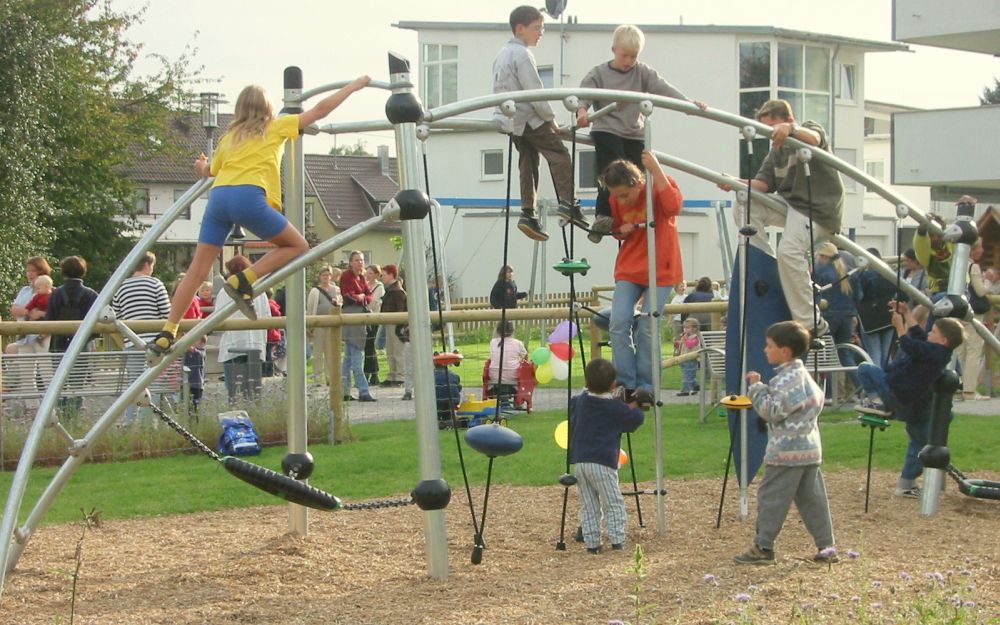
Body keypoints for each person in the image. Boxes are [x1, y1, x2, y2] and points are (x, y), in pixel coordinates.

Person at [147, 75, 371, 357]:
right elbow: (319, 111)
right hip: (248, 197)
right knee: (297, 246)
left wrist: (200, 165)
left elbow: (209, 171)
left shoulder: (228, 137)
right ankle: (243, 279)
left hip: (218, 198)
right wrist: (352, 86)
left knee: (197, 270)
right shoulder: (276, 127)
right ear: (268, 109)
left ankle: (168, 331)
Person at [719, 99, 845, 348]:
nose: (772, 136)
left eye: (773, 129)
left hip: (817, 208)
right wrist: (734, 181)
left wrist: (792, 130)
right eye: (766, 130)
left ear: (787, 121)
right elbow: (763, 185)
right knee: (745, 200)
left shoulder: (806, 130)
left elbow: (815, 139)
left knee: (789, 249)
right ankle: (761, 260)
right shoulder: (775, 153)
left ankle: (811, 321)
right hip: (791, 207)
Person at [575, 24, 706, 243]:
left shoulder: (642, 72)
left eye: (633, 57)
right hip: (607, 128)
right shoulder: (599, 73)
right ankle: (604, 215)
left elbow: (664, 88)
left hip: (634, 132)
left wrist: (687, 104)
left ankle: (634, 214)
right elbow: (584, 95)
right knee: (612, 168)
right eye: (625, 55)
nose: (628, 62)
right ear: (614, 49)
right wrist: (581, 111)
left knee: (636, 177)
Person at [734, 321, 835, 565]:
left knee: (772, 498)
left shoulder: (785, 381)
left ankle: (763, 547)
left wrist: (756, 388)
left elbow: (771, 411)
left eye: (769, 346)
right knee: (813, 500)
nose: (765, 350)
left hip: (786, 452)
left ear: (785, 351)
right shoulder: (806, 378)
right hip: (810, 449)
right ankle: (826, 546)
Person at [493, 5, 584, 242]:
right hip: (529, 118)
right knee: (560, 154)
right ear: (520, 28)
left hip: (511, 120)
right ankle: (568, 203)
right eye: (537, 28)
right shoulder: (522, 55)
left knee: (528, 161)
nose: (541, 32)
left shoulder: (502, 54)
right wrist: (551, 120)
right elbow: (535, 92)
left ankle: (528, 213)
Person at [855, 302, 964, 498]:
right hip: (908, 399)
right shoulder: (935, 350)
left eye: (933, 332)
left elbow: (911, 345)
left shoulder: (935, 354)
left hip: (897, 393)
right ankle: (906, 484)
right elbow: (919, 336)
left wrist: (899, 325)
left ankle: (878, 401)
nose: (928, 333)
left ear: (944, 340)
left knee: (865, 369)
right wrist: (907, 314)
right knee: (918, 443)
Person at [606, 151, 683, 409]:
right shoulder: (617, 200)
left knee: (649, 325)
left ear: (638, 182)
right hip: (630, 267)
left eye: (626, 195)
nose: (622, 200)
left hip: (660, 269)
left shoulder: (658, 187)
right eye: (617, 196)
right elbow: (618, 229)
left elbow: (673, 208)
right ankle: (626, 384)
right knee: (618, 321)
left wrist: (657, 169)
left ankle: (647, 386)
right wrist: (620, 231)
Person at [569, 358, 645, 554]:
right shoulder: (614, 408)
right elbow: (633, 421)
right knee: (612, 501)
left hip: (580, 462)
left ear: (587, 382)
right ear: (613, 384)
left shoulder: (581, 402)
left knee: (589, 504)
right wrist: (637, 403)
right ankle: (617, 540)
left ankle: (592, 543)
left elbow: (577, 400)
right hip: (602, 462)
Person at [112, 251, 172, 425]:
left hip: (132, 342)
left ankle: (128, 422)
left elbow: (118, 317)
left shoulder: (121, 287)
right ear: (147, 264)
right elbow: (167, 314)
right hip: (154, 343)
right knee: (152, 384)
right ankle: (149, 424)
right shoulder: (155, 284)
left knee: (134, 384)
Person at [215, 255, 272, 404]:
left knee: (235, 395)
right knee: (254, 394)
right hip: (255, 345)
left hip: (232, 346)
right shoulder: (260, 291)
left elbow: (217, 319)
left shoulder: (225, 291)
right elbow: (267, 317)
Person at [812, 241, 858, 396]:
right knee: (845, 354)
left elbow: (814, 295)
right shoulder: (849, 272)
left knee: (828, 356)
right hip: (847, 316)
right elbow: (859, 295)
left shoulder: (819, 272)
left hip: (829, 317)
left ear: (824, 256)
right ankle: (861, 387)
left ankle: (831, 394)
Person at [340, 251, 375, 402]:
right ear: (350, 262)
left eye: (361, 260)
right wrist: (359, 297)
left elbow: (369, 296)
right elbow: (347, 295)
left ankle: (344, 391)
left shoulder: (361, 277)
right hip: (352, 317)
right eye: (356, 260)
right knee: (356, 357)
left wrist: (361, 297)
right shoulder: (346, 276)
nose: (360, 263)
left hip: (360, 316)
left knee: (348, 358)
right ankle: (363, 391)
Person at [45, 256, 99, 353]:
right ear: (83, 271)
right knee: (81, 367)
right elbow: (97, 323)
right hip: (82, 343)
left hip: (58, 344)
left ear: (63, 272)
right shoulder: (91, 295)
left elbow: (49, 319)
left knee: (60, 368)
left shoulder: (56, 294)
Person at [855, 248, 897, 369]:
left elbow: (859, 296)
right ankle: (888, 383)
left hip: (870, 319)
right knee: (887, 355)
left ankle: (876, 383)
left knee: (874, 355)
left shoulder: (865, 276)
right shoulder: (890, 274)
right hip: (888, 316)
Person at [958, 239, 989, 400]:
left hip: (959, 311)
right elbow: (981, 291)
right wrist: (988, 280)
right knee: (974, 349)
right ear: (973, 250)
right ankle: (970, 389)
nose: (982, 251)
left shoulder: (958, 266)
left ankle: (962, 384)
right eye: (980, 247)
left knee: (961, 350)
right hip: (973, 313)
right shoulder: (973, 267)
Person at [7, 257, 53, 355]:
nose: (29, 274)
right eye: (28, 271)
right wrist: (27, 312)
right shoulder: (25, 290)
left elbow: (55, 313)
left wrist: (41, 314)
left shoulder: (53, 292)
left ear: (42, 271)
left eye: (33, 271)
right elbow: (14, 310)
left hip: (44, 337)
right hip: (25, 337)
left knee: (45, 367)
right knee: (25, 367)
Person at [379, 264, 412, 399]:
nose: (382, 277)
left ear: (392, 275)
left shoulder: (398, 292)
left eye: (384, 275)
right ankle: (392, 373)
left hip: (397, 325)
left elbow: (401, 310)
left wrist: (400, 327)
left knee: (398, 351)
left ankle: (399, 375)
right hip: (389, 323)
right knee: (390, 351)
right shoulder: (390, 291)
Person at [306, 265, 342, 385]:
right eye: (323, 275)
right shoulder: (315, 291)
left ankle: (329, 377)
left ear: (331, 276)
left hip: (332, 325)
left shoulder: (336, 289)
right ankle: (317, 378)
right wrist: (310, 326)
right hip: (318, 325)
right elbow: (311, 309)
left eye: (327, 275)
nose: (325, 277)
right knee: (318, 353)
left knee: (330, 352)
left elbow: (341, 303)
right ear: (320, 277)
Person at [487, 321, 528, 407]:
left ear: (497, 331)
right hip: (513, 377)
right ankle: (518, 401)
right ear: (513, 330)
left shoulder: (493, 342)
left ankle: (503, 400)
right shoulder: (518, 343)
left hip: (495, 377)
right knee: (522, 370)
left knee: (501, 370)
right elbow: (525, 357)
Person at [912, 212, 952, 295]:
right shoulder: (926, 252)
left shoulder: (951, 243)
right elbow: (920, 242)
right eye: (934, 233)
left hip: (960, 287)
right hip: (938, 289)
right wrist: (922, 229)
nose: (939, 237)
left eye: (942, 231)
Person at [16, 275, 53, 347]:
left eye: (39, 288)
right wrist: (27, 309)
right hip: (35, 314)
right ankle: (23, 333)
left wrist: (44, 313)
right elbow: (32, 303)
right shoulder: (37, 296)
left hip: (46, 316)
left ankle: (41, 338)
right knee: (26, 318)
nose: (37, 290)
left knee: (47, 327)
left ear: (47, 287)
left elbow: (53, 307)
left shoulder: (52, 296)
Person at [364, 264, 384, 385]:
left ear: (376, 274)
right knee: (368, 347)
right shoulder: (365, 285)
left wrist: (365, 306)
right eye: (367, 272)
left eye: (370, 273)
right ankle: (373, 373)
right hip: (365, 318)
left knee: (370, 346)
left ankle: (370, 373)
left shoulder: (379, 287)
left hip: (374, 318)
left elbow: (374, 302)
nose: (368, 275)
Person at [677, 318, 702, 396]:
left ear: (694, 328)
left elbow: (690, 345)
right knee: (689, 374)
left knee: (687, 375)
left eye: (687, 328)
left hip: (691, 360)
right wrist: (677, 343)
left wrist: (685, 340)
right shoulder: (686, 337)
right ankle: (696, 385)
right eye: (684, 327)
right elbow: (682, 345)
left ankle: (685, 390)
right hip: (684, 358)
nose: (685, 329)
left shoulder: (696, 337)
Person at [434, 360, 463, 429]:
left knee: (437, 411)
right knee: (448, 411)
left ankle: (438, 422)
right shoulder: (453, 374)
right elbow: (459, 387)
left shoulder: (433, 375)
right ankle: (449, 422)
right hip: (454, 399)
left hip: (440, 399)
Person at [668, 282, 687, 355]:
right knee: (678, 335)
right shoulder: (675, 299)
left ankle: (684, 350)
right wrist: (670, 320)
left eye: (684, 286)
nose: (683, 288)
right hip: (677, 320)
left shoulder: (686, 297)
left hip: (685, 320)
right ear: (676, 288)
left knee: (685, 335)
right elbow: (671, 311)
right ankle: (677, 350)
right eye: (681, 286)